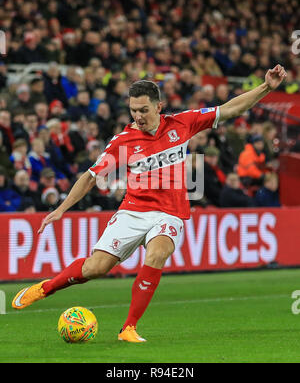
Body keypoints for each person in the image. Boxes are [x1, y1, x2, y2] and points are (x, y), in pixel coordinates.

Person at [12, 65, 287, 343]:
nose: (137, 116)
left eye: (143, 110)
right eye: (133, 110)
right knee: (96, 268)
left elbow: (230, 109)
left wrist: (265, 88)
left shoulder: (182, 123)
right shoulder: (123, 141)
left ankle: (128, 328)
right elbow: (91, 177)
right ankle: (46, 288)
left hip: (170, 212)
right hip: (133, 210)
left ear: (159, 107)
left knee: (157, 254)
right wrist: (61, 209)